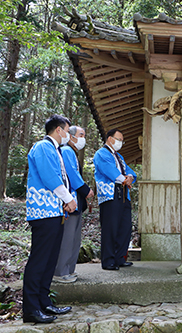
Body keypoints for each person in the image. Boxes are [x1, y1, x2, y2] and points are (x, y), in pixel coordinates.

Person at [23, 114, 77, 323]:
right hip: (43, 212)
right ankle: (31, 309)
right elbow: (49, 177)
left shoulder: (54, 149)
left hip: (54, 212)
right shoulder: (43, 147)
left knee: (49, 260)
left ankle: (44, 302)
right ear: (58, 130)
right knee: (39, 260)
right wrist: (68, 198)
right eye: (67, 130)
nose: (68, 135)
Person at [53, 126, 94, 283]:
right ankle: (60, 272)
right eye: (81, 135)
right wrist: (85, 189)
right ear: (70, 136)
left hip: (75, 202)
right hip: (69, 201)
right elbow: (71, 173)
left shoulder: (71, 152)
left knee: (74, 239)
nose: (83, 138)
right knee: (68, 238)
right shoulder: (67, 150)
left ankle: (68, 270)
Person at [93, 129, 136, 270]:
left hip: (123, 195)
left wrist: (130, 177)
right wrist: (125, 179)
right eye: (119, 139)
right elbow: (113, 173)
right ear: (110, 139)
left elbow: (131, 172)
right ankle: (108, 260)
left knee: (125, 227)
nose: (121, 142)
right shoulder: (101, 154)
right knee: (110, 228)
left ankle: (120, 257)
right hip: (110, 195)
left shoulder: (119, 157)